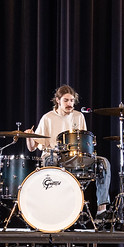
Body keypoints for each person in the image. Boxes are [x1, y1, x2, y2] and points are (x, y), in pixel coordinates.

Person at [26, 85, 112, 213]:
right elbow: (32, 148)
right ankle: (53, 208)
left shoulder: (79, 116)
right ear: (58, 100)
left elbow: (85, 141)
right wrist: (29, 136)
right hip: (54, 155)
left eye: (72, 100)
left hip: (76, 156)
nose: (69, 104)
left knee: (104, 163)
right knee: (50, 160)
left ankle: (102, 210)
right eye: (66, 100)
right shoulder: (48, 118)